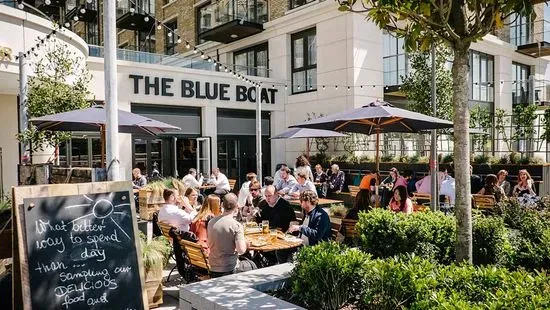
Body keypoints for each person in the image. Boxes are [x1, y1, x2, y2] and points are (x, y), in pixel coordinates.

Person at [207, 193, 256, 277]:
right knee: (253, 265)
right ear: (236, 206)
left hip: (213, 266)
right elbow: (241, 250)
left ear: (222, 205)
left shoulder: (211, 222)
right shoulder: (236, 225)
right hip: (229, 268)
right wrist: (246, 243)